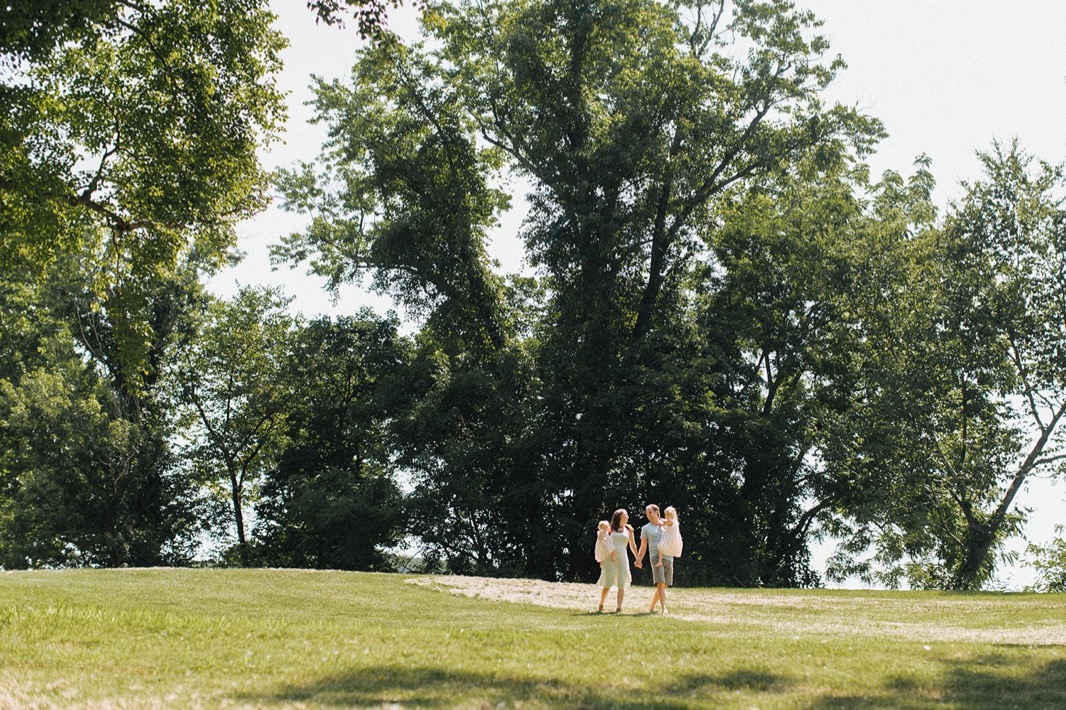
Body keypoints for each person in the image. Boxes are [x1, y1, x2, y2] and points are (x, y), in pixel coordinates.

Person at [596, 509, 638, 613]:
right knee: (608, 581)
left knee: (621, 583)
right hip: (610, 558)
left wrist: (638, 558)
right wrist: (602, 557)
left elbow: (632, 545)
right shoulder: (610, 529)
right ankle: (601, 604)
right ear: (619, 516)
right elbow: (603, 544)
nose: (627, 516)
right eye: (625, 514)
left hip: (623, 557)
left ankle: (619, 607)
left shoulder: (628, 529)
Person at [634, 504, 673, 614]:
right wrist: (639, 559)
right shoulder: (645, 528)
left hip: (669, 555)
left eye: (650, 512)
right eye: (647, 513)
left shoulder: (667, 524)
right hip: (655, 556)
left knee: (665, 585)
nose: (648, 515)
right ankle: (663, 607)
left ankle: (651, 606)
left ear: (657, 512)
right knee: (660, 582)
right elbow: (643, 546)